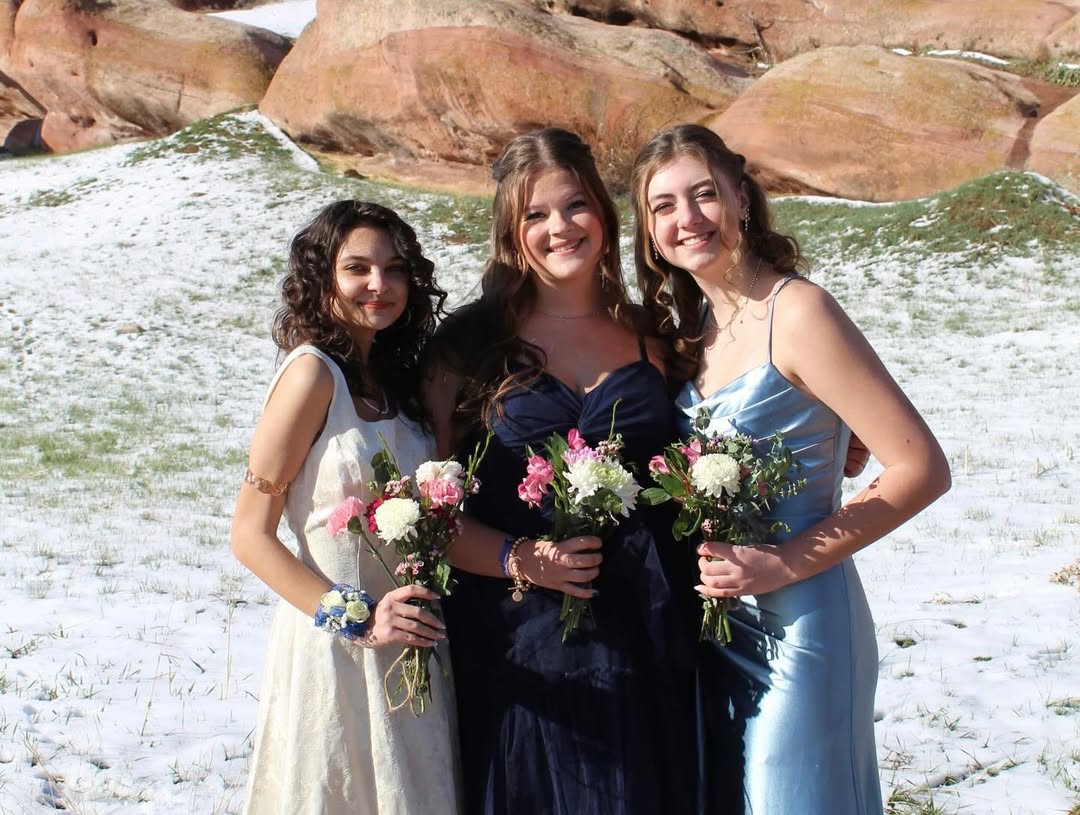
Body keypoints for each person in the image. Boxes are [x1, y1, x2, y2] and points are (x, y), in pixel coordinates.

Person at [630, 124, 951, 815]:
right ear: (649, 231)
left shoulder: (799, 311)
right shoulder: (693, 331)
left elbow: (921, 467)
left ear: (742, 198)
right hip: (719, 630)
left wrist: (782, 563)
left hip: (801, 627)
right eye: (663, 205)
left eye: (704, 194)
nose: (687, 218)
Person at [424, 128, 698, 815]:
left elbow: (717, 423)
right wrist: (521, 558)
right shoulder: (468, 347)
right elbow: (427, 511)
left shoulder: (654, 334)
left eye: (575, 205)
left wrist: (835, 439)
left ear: (603, 212)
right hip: (519, 634)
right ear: (511, 233)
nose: (560, 227)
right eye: (535, 214)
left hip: (646, 621)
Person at [231, 200, 461, 815]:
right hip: (336, 648)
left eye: (394, 269)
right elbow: (249, 535)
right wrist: (357, 620)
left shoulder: (397, 380)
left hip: (414, 645)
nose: (379, 284)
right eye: (357, 268)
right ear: (321, 277)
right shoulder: (311, 376)